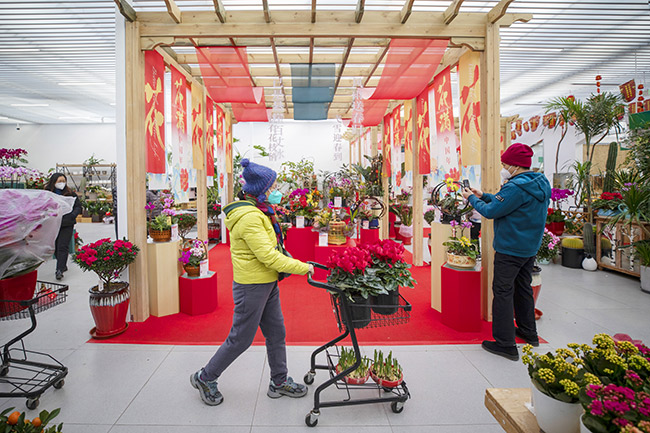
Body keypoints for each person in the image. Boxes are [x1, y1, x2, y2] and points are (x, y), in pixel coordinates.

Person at [191, 158, 315, 406]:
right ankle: (206, 377)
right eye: (271, 188)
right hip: (252, 287)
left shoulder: (260, 211)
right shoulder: (249, 217)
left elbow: (272, 248)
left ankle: (279, 381)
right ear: (260, 190)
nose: (275, 192)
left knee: (277, 332)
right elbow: (269, 256)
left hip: (267, 283)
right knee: (241, 339)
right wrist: (305, 267)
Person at [461, 143, 551, 361]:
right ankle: (529, 332)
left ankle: (505, 343)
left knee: (502, 291)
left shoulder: (514, 187)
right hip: (529, 247)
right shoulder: (540, 182)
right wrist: (483, 194)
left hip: (510, 248)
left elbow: (492, 212)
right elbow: (508, 204)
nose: (503, 167)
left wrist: (471, 199)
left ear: (515, 166)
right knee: (523, 288)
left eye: (505, 164)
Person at [44, 173, 82, 280]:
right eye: (59, 181)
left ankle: (59, 270)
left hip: (67, 223)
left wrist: (72, 215)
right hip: (53, 224)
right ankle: (62, 265)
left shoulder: (70, 193)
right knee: (55, 246)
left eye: (63, 181)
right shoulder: (47, 194)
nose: (62, 183)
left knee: (63, 246)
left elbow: (78, 206)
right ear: (53, 182)